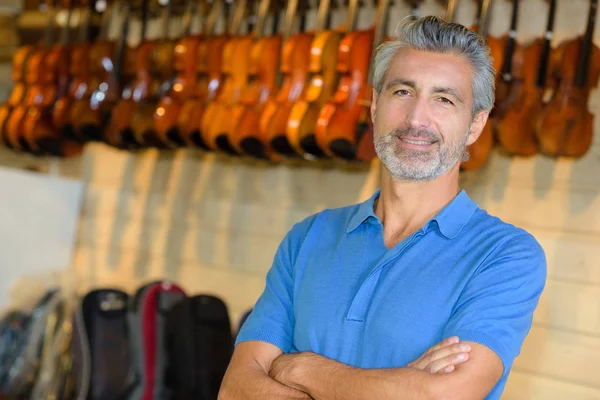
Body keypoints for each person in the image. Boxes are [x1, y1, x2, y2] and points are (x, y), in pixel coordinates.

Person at [218, 16, 547, 400]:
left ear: (475, 124)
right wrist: (396, 386)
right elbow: (236, 390)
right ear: (375, 105)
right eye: (402, 92)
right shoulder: (308, 238)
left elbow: (443, 396)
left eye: (444, 99)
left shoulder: (505, 256)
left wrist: (301, 367)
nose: (416, 119)